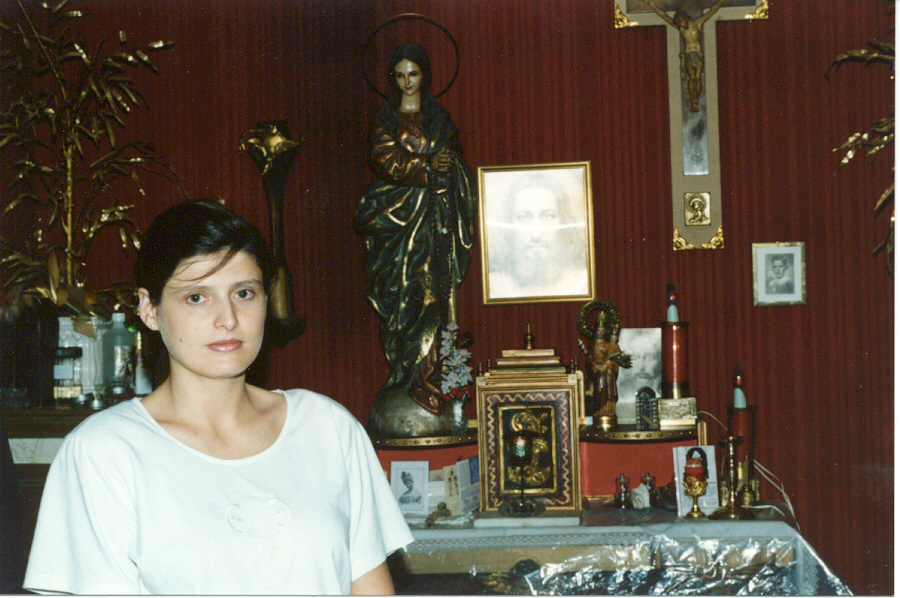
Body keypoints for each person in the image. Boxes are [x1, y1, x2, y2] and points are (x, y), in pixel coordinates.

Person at [24, 199, 413, 595]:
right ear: (149, 309)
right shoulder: (104, 452)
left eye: (244, 293)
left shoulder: (327, 427)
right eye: (196, 297)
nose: (228, 319)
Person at [354, 43, 476, 417]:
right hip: (397, 219)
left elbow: (455, 158)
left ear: (425, 76)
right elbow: (385, 159)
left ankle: (429, 379)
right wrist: (426, 164)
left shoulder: (440, 118)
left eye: (414, 74)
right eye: (400, 75)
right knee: (401, 298)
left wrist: (447, 163)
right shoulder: (385, 120)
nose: (408, 82)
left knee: (431, 295)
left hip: (433, 221)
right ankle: (404, 376)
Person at [487, 172, 589, 298]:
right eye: (523, 218)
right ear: (509, 224)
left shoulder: (583, 284)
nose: (536, 235)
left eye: (548, 216)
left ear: (563, 221)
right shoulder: (493, 287)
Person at [643, 0, 727, 112]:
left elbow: (712, 10)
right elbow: (663, 16)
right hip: (688, 55)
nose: (680, 24)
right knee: (692, 78)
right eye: (678, 23)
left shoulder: (698, 23)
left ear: (685, 19)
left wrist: (721, 2)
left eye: (680, 22)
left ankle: (696, 100)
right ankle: (693, 102)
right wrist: (653, 6)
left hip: (698, 54)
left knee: (698, 78)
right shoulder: (680, 28)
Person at [588, 314, 622, 420]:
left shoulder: (609, 344)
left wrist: (608, 365)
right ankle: (598, 411)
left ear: (605, 331)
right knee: (598, 391)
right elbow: (589, 359)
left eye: (602, 330)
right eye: (598, 330)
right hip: (598, 372)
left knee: (609, 392)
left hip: (608, 372)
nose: (600, 333)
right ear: (595, 331)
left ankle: (609, 411)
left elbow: (614, 358)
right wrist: (595, 366)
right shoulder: (592, 344)